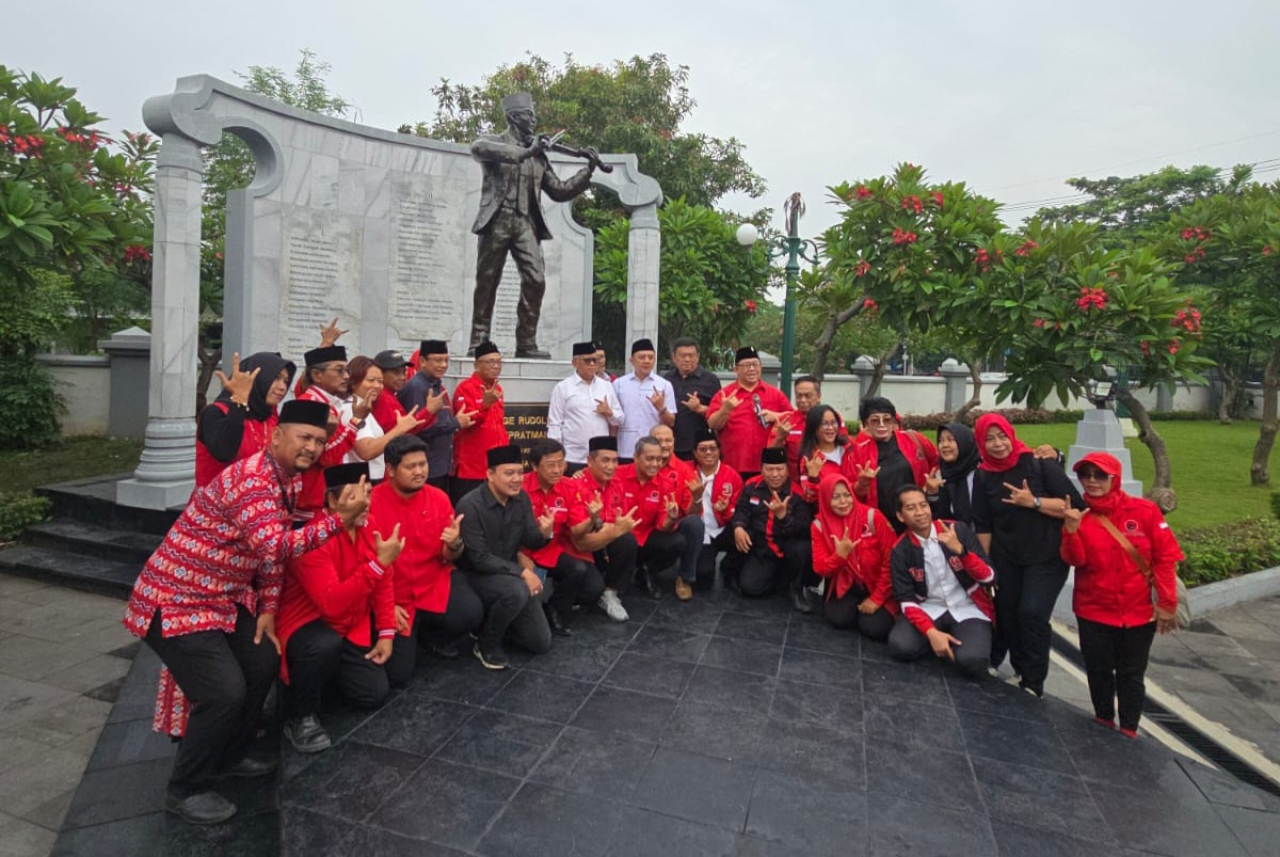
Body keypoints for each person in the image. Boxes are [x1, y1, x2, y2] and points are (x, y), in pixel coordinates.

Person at [122, 400, 366, 825]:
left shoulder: (285, 478)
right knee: (223, 691)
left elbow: (267, 560)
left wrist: (269, 609)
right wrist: (336, 521)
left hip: (222, 599)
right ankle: (186, 788)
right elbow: (275, 547)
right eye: (303, 437)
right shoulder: (254, 479)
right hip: (176, 598)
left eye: (319, 441)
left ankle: (230, 755)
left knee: (263, 659)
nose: (311, 447)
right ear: (276, 436)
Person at [276, 462, 399, 754]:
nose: (366, 503)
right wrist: (378, 564)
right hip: (309, 624)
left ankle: (322, 681)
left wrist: (386, 632)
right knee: (322, 645)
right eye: (357, 496)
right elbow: (331, 604)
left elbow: (384, 582)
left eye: (369, 493)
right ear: (333, 501)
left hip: (350, 624)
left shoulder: (369, 526)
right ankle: (299, 716)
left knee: (374, 692)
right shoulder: (312, 537)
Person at [1062, 452, 1183, 737]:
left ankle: (1129, 729)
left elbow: (1165, 559)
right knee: (1098, 668)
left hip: (1137, 611)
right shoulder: (1081, 516)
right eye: (1086, 475)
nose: (1092, 482)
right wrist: (1070, 530)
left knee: (1131, 673)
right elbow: (1075, 560)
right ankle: (1103, 719)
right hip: (1094, 609)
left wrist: (1167, 603)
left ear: (1114, 479)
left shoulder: (1145, 511)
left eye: (1100, 475)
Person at [468, 91, 597, 358]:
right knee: (487, 280)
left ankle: (526, 343)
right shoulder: (494, 143)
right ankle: (478, 340)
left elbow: (559, 190)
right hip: (497, 219)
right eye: (529, 114)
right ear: (514, 117)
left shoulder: (539, 157)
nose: (534, 119)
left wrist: (588, 171)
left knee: (536, 279)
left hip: (525, 222)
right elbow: (478, 148)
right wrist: (528, 150)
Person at [971, 413, 1082, 698]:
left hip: (1045, 555)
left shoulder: (1038, 463)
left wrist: (1032, 502)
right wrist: (986, 566)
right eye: (989, 439)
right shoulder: (984, 474)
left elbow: (1073, 507)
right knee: (1007, 612)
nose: (997, 444)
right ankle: (1019, 668)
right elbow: (983, 524)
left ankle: (1033, 682)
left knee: (1032, 613)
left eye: (1002, 436)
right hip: (1007, 555)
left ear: (1011, 434)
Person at [370, 436, 483, 684]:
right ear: (390, 469)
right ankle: (413, 636)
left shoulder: (439, 498)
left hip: (432, 583)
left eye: (423, 464)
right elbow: (365, 566)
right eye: (411, 467)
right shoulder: (371, 504)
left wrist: (455, 544)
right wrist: (383, 606)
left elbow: (448, 555)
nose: (420, 472)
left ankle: (432, 637)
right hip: (394, 594)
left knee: (470, 612)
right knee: (398, 676)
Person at [455, 444, 559, 669]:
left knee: (540, 642)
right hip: (476, 575)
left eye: (520, 473)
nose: (516, 479)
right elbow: (479, 559)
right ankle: (486, 643)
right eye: (509, 473)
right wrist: (522, 572)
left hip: (509, 574)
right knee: (518, 589)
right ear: (490, 475)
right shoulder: (470, 505)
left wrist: (546, 533)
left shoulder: (521, 499)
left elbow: (531, 540)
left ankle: (498, 622)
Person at [888, 485, 996, 677]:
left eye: (923, 505)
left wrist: (962, 552)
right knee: (901, 647)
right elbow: (906, 600)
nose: (920, 512)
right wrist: (931, 632)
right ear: (900, 516)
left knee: (972, 661)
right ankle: (938, 640)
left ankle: (956, 642)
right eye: (911, 508)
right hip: (929, 608)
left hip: (967, 607)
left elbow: (989, 577)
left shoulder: (958, 530)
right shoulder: (900, 549)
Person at [522, 439, 606, 635]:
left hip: (550, 549)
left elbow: (577, 531)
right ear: (534, 466)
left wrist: (592, 519)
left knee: (581, 574)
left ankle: (556, 610)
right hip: (521, 551)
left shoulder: (570, 487)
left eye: (561, 463)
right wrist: (519, 556)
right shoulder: (520, 487)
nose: (557, 470)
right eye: (550, 465)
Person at [810, 473, 897, 638]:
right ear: (825, 499)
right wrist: (839, 556)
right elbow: (820, 568)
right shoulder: (819, 526)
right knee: (839, 619)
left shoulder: (873, 517)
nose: (843, 502)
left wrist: (877, 598)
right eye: (835, 497)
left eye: (847, 495)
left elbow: (892, 560)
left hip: (879, 583)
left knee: (874, 629)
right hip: (848, 583)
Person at [727, 447, 815, 610]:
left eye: (779, 469)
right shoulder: (751, 486)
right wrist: (739, 527)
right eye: (769, 469)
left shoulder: (797, 493)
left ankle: (796, 589)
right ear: (761, 469)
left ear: (787, 470)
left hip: (786, 546)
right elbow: (741, 512)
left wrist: (784, 517)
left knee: (803, 548)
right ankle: (772, 577)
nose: (775, 474)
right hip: (762, 548)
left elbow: (804, 528)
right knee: (750, 588)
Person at [195, 351, 295, 489]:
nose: (283, 387)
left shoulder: (270, 416)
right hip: (219, 505)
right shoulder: (215, 412)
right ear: (258, 379)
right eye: (276, 378)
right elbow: (224, 452)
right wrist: (240, 401)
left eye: (286, 381)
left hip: (261, 504)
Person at [567, 436, 642, 621]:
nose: (611, 466)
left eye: (615, 460)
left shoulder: (617, 483)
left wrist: (609, 527)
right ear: (590, 461)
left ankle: (610, 593)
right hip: (579, 549)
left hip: (604, 543)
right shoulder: (576, 485)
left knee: (628, 540)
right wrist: (609, 527)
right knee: (590, 592)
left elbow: (620, 522)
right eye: (605, 460)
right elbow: (580, 538)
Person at [844, 396, 938, 533]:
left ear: (894, 421)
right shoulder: (858, 453)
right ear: (866, 424)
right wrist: (862, 484)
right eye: (875, 420)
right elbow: (851, 494)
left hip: (917, 516)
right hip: (882, 523)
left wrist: (930, 487)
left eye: (887, 419)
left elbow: (938, 462)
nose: (881, 424)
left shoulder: (914, 439)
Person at [297, 345, 364, 520]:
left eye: (347, 370)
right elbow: (326, 457)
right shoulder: (311, 405)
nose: (347, 376)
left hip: (322, 497)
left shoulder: (327, 403)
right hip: (310, 502)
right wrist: (355, 422)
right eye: (339, 370)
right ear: (317, 375)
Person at [398, 339, 472, 495]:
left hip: (440, 465)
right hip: (426, 467)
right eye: (438, 360)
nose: (443, 365)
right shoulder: (416, 387)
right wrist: (456, 423)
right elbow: (418, 428)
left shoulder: (436, 384)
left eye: (446, 360)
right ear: (423, 361)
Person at [707, 346, 791, 479]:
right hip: (734, 466)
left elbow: (795, 420)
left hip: (768, 469)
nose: (752, 369)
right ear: (736, 369)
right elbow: (712, 424)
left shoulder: (775, 394)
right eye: (747, 365)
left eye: (755, 364)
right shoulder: (725, 394)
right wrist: (725, 410)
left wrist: (776, 416)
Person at [617, 436, 685, 600]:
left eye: (659, 459)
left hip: (646, 537)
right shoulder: (617, 475)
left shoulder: (666, 484)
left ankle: (647, 570)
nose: (655, 464)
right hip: (619, 537)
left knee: (678, 542)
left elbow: (663, 526)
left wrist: (671, 518)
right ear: (635, 457)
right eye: (649, 459)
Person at [648, 424, 707, 600]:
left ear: (674, 442)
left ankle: (685, 578)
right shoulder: (642, 464)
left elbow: (692, 513)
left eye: (668, 440)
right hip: (645, 526)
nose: (665, 444)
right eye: (660, 440)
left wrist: (697, 498)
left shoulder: (684, 470)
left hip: (672, 527)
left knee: (695, 523)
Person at [343, 356, 425, 482]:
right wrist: (399, 429)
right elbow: (366, 451)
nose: (376, 386)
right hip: (363, 479)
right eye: (371, 380)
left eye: (380, 381)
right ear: (353, 382)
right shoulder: (352, 409)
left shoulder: (363, 407)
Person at [547, 341, 624, 471]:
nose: (593, 364)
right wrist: (557, 458)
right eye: (588, 361)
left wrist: (609, 412)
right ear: (575, 363)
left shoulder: (606, 386)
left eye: (595, 360)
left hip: (600, 459)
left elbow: (621, 419)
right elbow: (554, 424)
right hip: (572, 457)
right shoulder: (563, 388)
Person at [452, 341, 508, 503]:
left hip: (495, 467)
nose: (496, 366)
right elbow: (466, 422)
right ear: (476, 366)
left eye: (499, 362)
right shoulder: (465, 388)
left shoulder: (498, 389)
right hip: (472, 469)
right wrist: (485, 406)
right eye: (491, 362)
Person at [690, 429, 744, 589]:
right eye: (702, 449)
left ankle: (730, 567)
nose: (708, 453)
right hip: (701, 532)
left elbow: (740, 511)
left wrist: (726, 510)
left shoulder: (732, 475)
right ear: (695, 453)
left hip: (724, 528)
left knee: (748, 535)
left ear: (719, 451)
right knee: (703, 577)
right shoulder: (688, 473)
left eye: (713, 448)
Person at [613, 338, 676, 463]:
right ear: (632, 360)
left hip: (654, 452)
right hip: (626, 449)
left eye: (650, 357)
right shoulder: (619, 384)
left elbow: (671, 422)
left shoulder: (664, 385)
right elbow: (614, 421)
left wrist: (660, 408)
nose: (647, 361)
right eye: (642, 357)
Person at [663, 336, 722, 461]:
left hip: (699, 448)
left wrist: (700, 408)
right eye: (682, 356)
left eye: (691, 355)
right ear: (674, 357)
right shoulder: (666, 380)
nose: (687, 359)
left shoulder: (710, 380)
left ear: (698, 357)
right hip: (670, 446)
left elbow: (720, 414)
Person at [770, 374, 832, 480]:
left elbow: (844, 451)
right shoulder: (785, 421)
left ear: (818, 396)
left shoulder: (832, 419)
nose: (802, 400)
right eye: (799, 396)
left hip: (824, 482)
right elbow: (770, 457)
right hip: (794, 486)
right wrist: (779, 438)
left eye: (808, 396)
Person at [924, 422, 981, 526]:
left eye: (950, 440)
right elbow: (940, 519)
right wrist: (933, 494)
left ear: (964, 442)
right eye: (940, 441)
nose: (944, 445)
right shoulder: (941, 474)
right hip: (954, 537)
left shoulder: (981, 472)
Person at [796, 404, 851, 502]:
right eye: (824, 423)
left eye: (833, 422)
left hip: (854, 510)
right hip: (826, 512)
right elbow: (809, 498)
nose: (830, 428)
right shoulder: (809, 459)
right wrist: (813, 479)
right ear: (813, 427)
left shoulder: (850, 448)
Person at [369, 349, 412, 432]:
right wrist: (428, 411)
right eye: (396, 373)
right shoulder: (384, 398)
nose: (402, 377)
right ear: (380, 373)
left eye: (403, 372)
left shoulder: (388, 395)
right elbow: (402, 431)